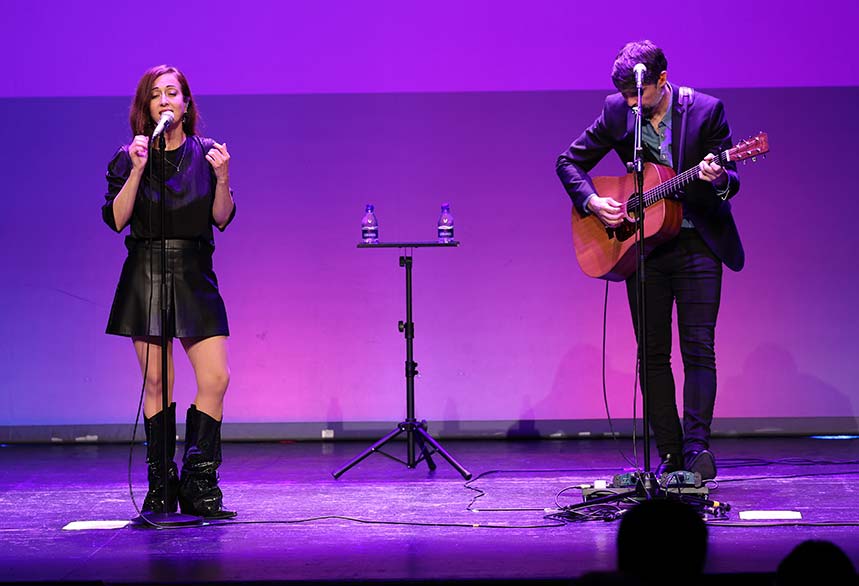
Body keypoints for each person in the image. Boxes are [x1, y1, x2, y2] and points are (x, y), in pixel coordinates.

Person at [556, 41, 744, 480]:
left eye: (637, 95)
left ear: (662, 80)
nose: (630, 104)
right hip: (644, 247)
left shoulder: (705, 110)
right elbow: (568, 161)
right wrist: (592, 201)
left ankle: (697, 450)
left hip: (699, 244)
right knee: (652, 354)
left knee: (699, 349)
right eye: (624, 96)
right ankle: (670, 453)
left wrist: (719, 177)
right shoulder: (618, 111)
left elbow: (732, 181)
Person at [102, 64, 237, 519]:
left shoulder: (207, 153)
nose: (165, 100)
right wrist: (138, 170)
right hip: (146, 271)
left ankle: (199, 482)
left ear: (186, 104)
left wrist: (222, 179)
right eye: (156, 94)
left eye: (172, 93)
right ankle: (161, 485)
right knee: (157, 381)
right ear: (146, 108)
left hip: (195, 270)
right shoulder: (128, 157)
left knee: (216, 378)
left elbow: (222, 217)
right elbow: (118, 219)